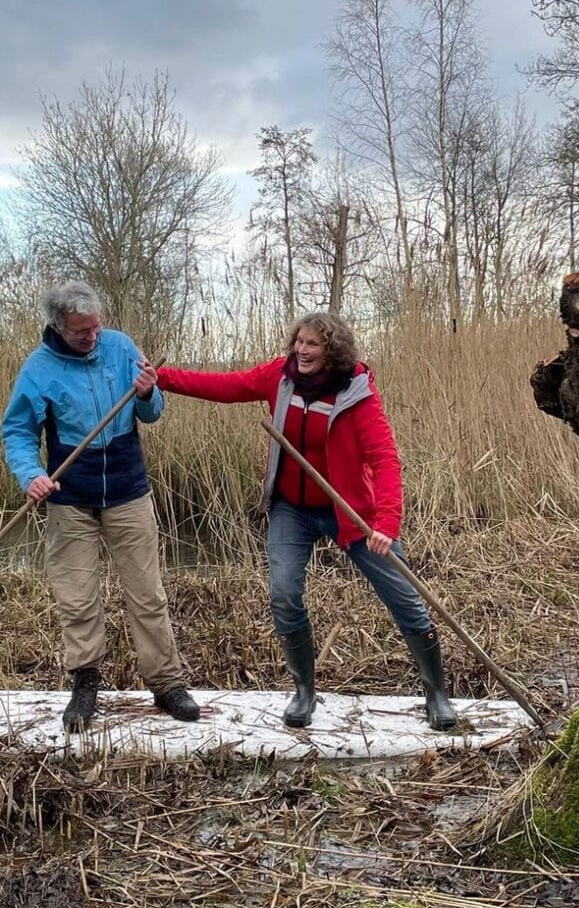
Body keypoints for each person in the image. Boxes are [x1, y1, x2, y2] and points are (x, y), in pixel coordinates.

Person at [155, 312, 458, 731]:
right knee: (283, 593)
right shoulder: (279, 379)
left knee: (403, 596)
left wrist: (386, 524)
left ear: (332, 350)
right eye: (299, 341)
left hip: (350, 512)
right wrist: (162, 378)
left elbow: (385, 460)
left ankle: (436, 694)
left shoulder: (356, 394)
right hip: (291, 510)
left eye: (313, 343)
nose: (302, 350)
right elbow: (224, 386)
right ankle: (304, 692)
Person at [2, 282, 201, 731]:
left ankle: (166, 683)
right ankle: (85, 682)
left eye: (96, 327)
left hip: (129, 491)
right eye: (81, 332)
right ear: (58, 327)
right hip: (70, 497)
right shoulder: (38, 369)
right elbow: (17, 432)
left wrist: (148, 393)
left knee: (147, 594)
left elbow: (152, 413)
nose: (93, 337)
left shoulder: (121, 347)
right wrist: (30, 474)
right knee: (77, 598)